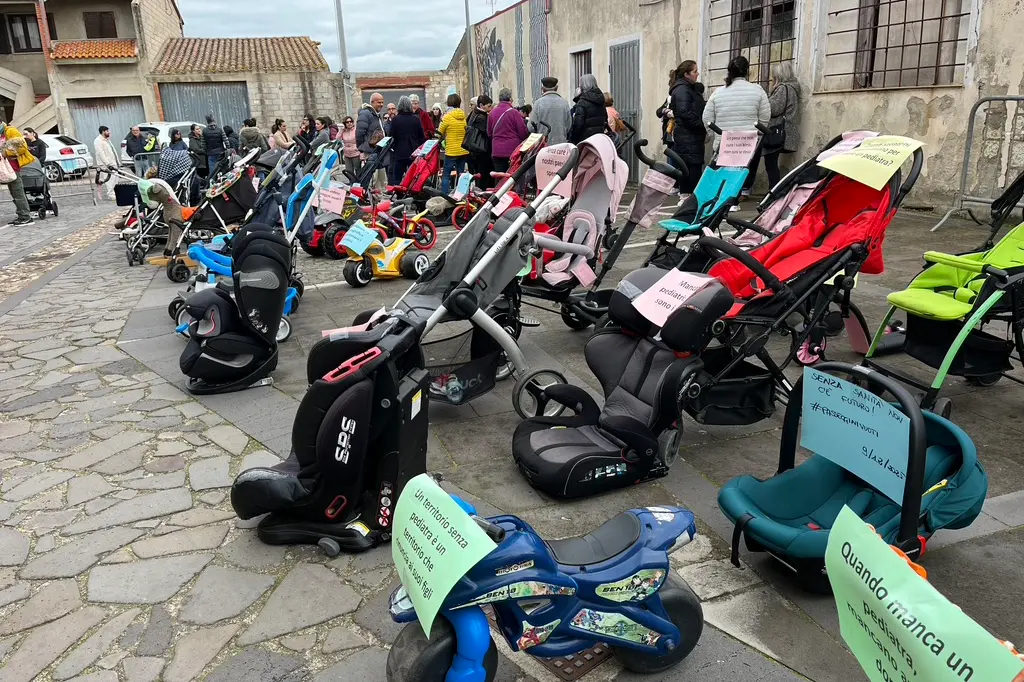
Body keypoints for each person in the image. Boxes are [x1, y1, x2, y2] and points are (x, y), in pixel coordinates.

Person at [702, 55, 770, 198]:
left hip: (725, 140)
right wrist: (757, 134)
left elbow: (706, 117)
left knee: (725, 173)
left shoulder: (718, 92)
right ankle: (742, 193)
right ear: (747, 71)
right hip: (749, 141)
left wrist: (715, 134)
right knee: (744, 171)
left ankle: (724, 197)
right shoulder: (757, 90)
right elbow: (765, 116)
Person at [659, 60, 706, 197]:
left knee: (693, 166)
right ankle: (686, 196)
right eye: (695, 71)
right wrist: (700, 124)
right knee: (690, 167)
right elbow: (684, 112)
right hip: (688, 135)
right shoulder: (682, 90)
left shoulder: (687, 88)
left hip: (691, 135)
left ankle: (688, 195)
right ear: (686, 74)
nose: (697, 74)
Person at [765, 61, 801, 189]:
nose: (772, 79)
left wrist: (765, 100)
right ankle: (774, 191)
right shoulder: (792, 88)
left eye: (774, 76)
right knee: (772, 163)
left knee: (770, 163)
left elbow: (774, 109)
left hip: (777, 132)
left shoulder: (782, 88)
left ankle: (773, 191)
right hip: (785, 131)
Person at [0, 122, 36, 225]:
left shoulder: (10, 131)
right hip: (6, 168)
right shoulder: (1, 133)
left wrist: (4, 153)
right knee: (14, 193)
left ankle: (25, 216)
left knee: (18, 192)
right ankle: (21, 215)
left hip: (13, 167)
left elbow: (22, 147)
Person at [488, 88, 529, 175]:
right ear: (510, 99)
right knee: (512, 177)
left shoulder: (492, 113)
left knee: (499, 177)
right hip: (512, 150)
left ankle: (500, 188)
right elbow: (522, 132)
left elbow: (489, 133)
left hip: (497, 150)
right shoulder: (515, 113)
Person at [388, 96, 426, 185]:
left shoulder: (395, 120)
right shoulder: (416, 119)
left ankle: (398, 194)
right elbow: (421, 137)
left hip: (400, 152)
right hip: (413, 152)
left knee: (398, 176)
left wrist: (394, 148)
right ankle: (412, 193)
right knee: (413, 176)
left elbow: (391, 136)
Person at [437, 93, 469, 194]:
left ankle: (444, 195)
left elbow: (439, 132)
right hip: (463, 150)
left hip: (451, 151)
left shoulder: (447, 117)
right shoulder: (463, 116)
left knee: (446, 175)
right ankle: (461, 194)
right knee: (460, 174)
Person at [357, 92, 390, 189]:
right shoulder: (366, 114)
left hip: (378, 151)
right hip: (371, 151)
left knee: (380, 177)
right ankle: (370, 196)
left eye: (382, 102)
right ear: (372, 102)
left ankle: (379, 196)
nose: (381, 104)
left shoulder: (375, 114)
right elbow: (359, 133)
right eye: (379, 102)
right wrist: (362, 148)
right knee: (373, 177)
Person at [530, 76, 572, 145]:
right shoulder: (564, 103)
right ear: (556, 88)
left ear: (542, 89)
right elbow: (568, 126)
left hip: (543, 145)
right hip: (561, 145)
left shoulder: (538, 104)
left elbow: (530, 127)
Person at [570, 74, 609, 143]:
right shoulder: (601, 100)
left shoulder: (582, 102)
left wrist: (572, 140)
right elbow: (605, 119)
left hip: (585, 141)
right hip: (599, 139)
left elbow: (578, 125)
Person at [466, 94, 493, 190]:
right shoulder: (482, 117)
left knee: (478, 176)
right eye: (489, 106)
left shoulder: (473, 114)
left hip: (474, 150)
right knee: (484, 177)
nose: (490, 109)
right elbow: (487, 133)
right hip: (481, 151)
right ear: (482, 105)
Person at [93, 126, 119, 199]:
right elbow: (100, 153)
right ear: (103, 131)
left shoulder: (107, 140)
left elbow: (112, 151)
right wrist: (107, 163)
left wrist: (117, 161)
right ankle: (110, 194)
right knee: (109, 179)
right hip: (106, 164)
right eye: (107, 131)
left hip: (113, 162)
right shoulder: (98, 141)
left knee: (115, 179)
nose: (109, 132)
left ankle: (115, 193)